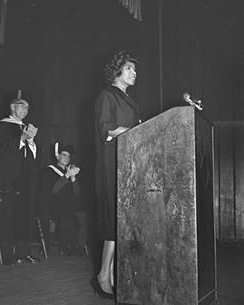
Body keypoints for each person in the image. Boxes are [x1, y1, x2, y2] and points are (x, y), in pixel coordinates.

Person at [92, 50, 141, 299]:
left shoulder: (126, 97)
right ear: (118, 70)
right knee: (113, 222)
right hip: (111, 166)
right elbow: (106, 129)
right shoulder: (107, 95)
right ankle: (102, 276)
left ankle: (109, 275)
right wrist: (139, 131)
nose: (134, 73)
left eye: (134, 69)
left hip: (126, 166)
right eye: (130, 68)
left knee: (120, 223)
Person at [0, 98, 40, 265]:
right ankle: (8, 255)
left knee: (24, 215)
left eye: (27, 107)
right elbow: (0, 152)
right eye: (21, 106)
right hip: (8, 179)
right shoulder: (1, 126)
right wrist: (21, 139)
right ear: (12, 107)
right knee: (8, 215)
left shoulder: (25, 127)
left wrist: (30, 140)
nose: (25, 110)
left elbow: (31, 155)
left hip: (24, 180)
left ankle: (23, 253)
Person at [40, 143, 87, 256]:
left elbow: (77, 194)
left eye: (68, 156)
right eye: (64, 155)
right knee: (67, 216)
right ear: (57, 156)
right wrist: (66, 176)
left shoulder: (70, 171)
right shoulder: (49, 171)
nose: (66, 158)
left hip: (70, 205)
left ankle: (80, 246)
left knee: (85, 216)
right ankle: (67, 247)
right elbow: (54, 190)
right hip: (54, 207)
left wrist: (73, 178)